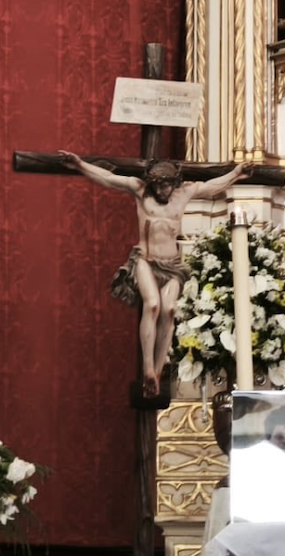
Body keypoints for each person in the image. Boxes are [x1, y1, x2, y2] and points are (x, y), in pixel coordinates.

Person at [59, 153, 246, 396]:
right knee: (153, 305)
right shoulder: (140, 191)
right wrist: (80, 165)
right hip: (145, 260)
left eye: (167, 184)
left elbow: (211, 187)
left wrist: (236, 173)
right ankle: (147, 366)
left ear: (175, 183)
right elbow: (108, 178)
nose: (163, 189)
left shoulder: (184, 193)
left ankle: (156, 373)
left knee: (169, 310)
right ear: (151, 182)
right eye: (158, 184)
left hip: (172, 265)